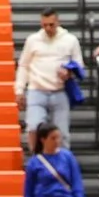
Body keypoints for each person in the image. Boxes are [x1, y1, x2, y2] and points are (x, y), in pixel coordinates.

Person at [16, 9, 80, 156]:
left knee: (62, 133)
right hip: (37, 90)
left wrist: (69, 72)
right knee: (33, 128)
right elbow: (24, 66)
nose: (48, 28)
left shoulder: (70, 40)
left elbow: (79, 65)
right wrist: (19, 90)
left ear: (58, 22)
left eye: (51, 25)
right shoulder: (33, 40)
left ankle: (63, 165)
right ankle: (37, 161)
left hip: (60, 90)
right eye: (44, 25)